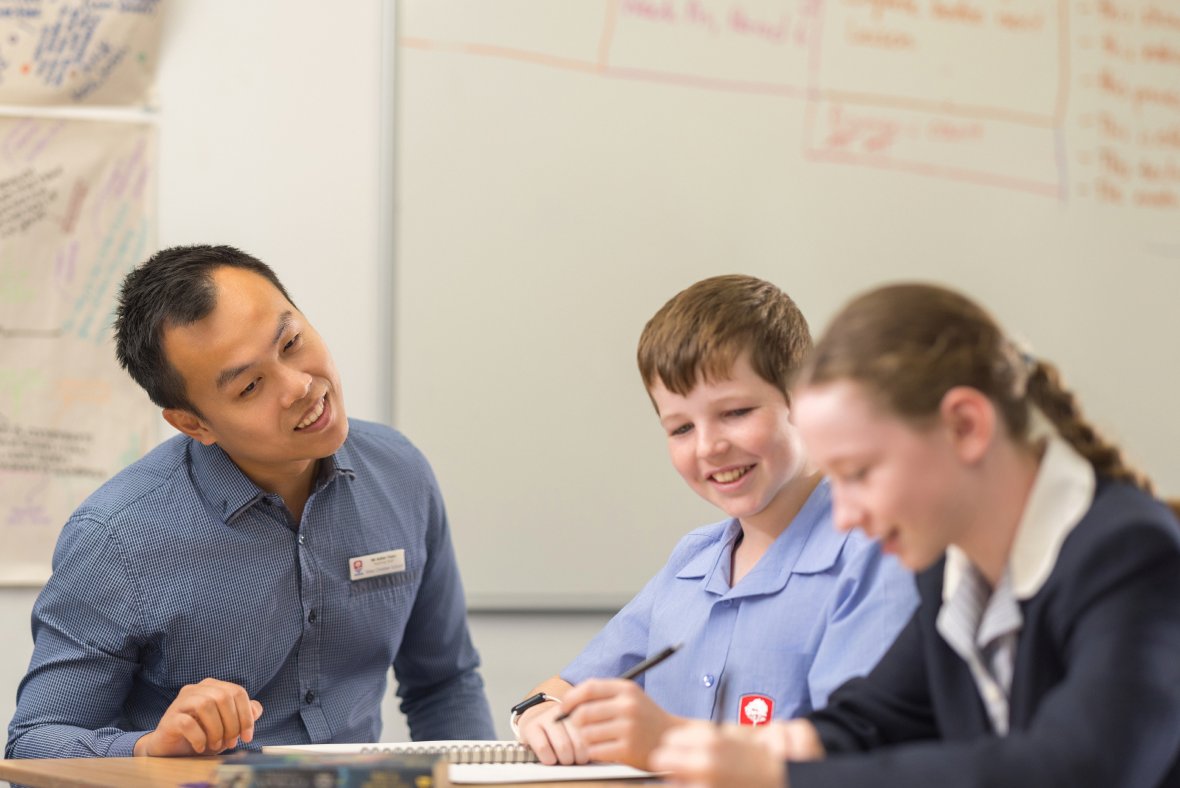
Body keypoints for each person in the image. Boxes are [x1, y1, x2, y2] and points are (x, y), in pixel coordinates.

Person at [650, 283, 1180, 787]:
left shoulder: (1128, 554)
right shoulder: (950, 570)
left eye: (858, 473)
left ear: (966, 427)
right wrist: (744, 753)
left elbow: (1074, 770)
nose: (845, 516)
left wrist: (782, 777)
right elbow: (870, 724)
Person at [6, 245, 495, 759]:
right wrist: (149, 748)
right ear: (194, 424)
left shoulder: (400, 473)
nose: (302, 386)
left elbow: (444, 683)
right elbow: (33, 746)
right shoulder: (115, 539)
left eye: (291, 342)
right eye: (251, 386)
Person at [513, 275, 917, 769]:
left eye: (735, 412)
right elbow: (564, 690)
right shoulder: (693, 561)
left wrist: (665, 741)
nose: (708, 447)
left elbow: (857, 757)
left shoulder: (875, 551)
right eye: (681, 427)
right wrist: (543, 714)